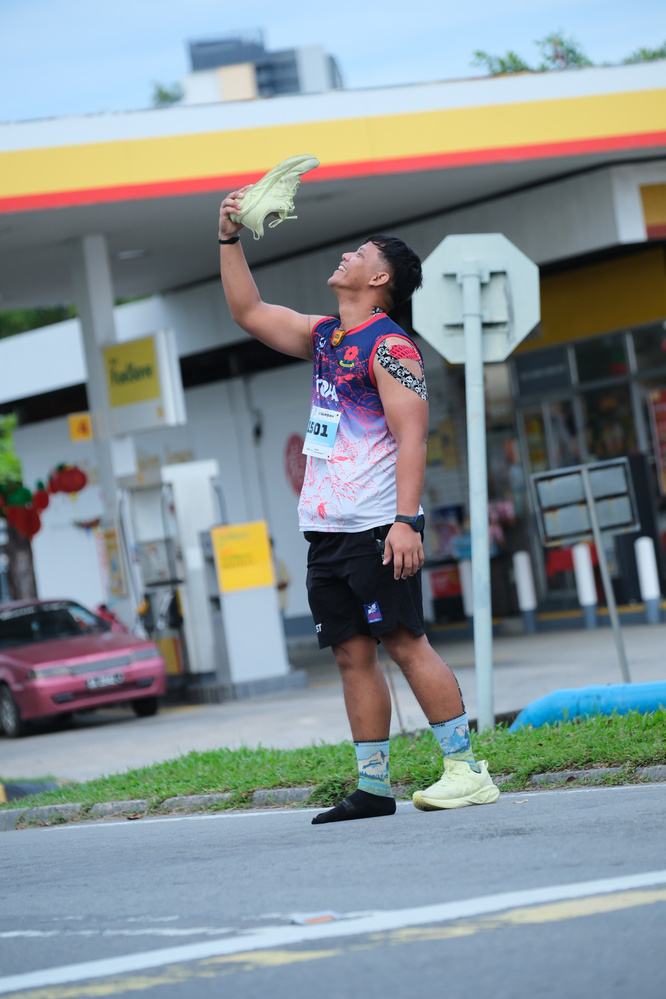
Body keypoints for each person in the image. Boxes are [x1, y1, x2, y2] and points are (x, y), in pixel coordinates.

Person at [218, 187, 499, 823]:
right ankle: (373, 787)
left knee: (405, 641)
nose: (347, 255)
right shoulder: (326, 337)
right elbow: (249, 311)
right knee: (351, 653)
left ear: (379, 279)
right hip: (326, 529)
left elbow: (412, 437)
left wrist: (406, 521)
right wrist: (229, 237)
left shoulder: (391, 347)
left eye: (361, 252)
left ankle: (467, 771)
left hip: (377, 524)